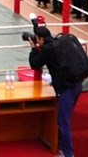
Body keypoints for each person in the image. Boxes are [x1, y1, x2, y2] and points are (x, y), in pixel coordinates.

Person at [28, 26, 82, 157]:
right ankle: (63, 150)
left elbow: (35, 64)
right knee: (63, 120)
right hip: (77, 84)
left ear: (40, 39)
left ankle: (68, 154)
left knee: (63, 122)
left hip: (67, 89)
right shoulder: (59, 43)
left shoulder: (47, 50)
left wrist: (33, 49)